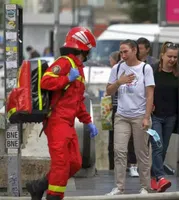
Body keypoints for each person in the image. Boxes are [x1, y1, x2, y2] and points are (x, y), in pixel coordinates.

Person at [25, 27, 99, 200]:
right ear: (83, 47)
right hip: (57, 120)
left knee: (75, 163)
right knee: (61, 164)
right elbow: (46, 81)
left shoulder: (79, 69)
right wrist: (67, 79)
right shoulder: (65, 62)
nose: (89, 53)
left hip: (68, 122)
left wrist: (88, 122)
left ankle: (39, 186)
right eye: (89, 49)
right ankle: (54, 196)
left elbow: (78, 101)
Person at [106, 39, 155, 195]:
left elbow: (150, 94)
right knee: (119, 150)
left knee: (142, 152)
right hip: (121, 115)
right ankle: (119, 186)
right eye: (121, 52)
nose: (123, 55)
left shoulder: (145, 68)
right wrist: (119, 82)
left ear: (135, 50)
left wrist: (147, 117)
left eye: (125, 51)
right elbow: (108, 91)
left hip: (140, 115)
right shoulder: (117, 68)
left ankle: (145, 186)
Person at [150, 41, 179, 192]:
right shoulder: (152, 71)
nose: (172, 60)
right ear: (162, 55)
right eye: (169, 56)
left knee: (164, 149)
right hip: (155, 116)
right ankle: (160, 177)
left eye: (175, 57)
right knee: (157, 146)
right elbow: (145, 90)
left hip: (171, 117)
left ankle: (153, 175)